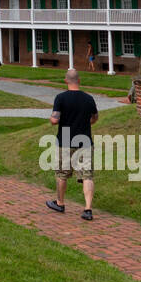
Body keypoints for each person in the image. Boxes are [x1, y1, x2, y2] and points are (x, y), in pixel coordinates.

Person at [45, 69, 99, 221]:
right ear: (79, 80)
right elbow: (95, 117)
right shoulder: (88, 98)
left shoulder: (61, 98)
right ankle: (88, 209)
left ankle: (60, 203)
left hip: (65, 140)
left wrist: (52, 119)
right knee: (87, 175)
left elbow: (55, 120)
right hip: (85, 141)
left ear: (65, 81)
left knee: (62, 175)